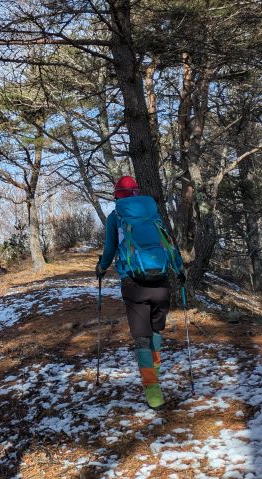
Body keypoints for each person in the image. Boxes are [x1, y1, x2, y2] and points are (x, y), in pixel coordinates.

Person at [96, 175, 185, 410]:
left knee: (142, 338)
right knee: (156, 330)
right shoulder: (154, 215)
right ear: (137, 193)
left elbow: (110, 248)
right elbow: (169, 244)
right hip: (161, 281)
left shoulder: (116, 217)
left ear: (117, 196)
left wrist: (102, 268)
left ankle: (152, 388)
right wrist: (180, 269)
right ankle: (154, 372)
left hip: (133, 284)